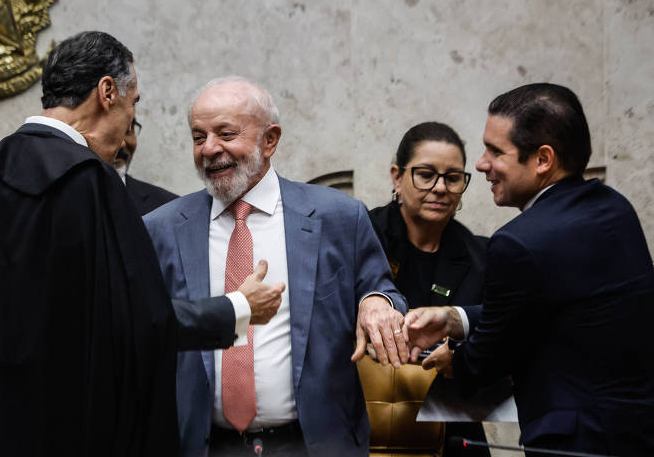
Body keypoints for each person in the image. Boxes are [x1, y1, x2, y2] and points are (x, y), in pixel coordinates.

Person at [0, 32, 282, 456]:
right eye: (133, 105)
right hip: (66, 432)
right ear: (107, 92)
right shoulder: (89, 181)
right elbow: (134, 323)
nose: (128, 126)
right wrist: (239, 307)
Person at [143, 76, 409, 457]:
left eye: (226, 133)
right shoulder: (161, 228)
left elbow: (383, 290)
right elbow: (147, 326)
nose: (209, 149)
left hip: (312, 443)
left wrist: (375, 300)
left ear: (270, 140)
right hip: (202, 446)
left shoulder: (337, 216)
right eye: (198, 137)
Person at [405, 83, 654, 456]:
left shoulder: (518, 242)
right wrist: (456, 318)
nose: (481, 164)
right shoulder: (614, 209)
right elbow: (552, 310)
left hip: (578, 442)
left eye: (495, 151)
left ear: (543, 159)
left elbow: (488, 358)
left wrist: (453, 359)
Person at [368, 121, 490, 457]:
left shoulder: (481, 255)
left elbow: (499, 328)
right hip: (368, 425)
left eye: (453, 178)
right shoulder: (361, 237)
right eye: (426, 174)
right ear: (397, 176)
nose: (440, 188)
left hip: (453, 426)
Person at [114, 116, 178, 215]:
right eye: (112, 131)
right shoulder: (81, 198)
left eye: (128, 130)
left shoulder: (170, 208)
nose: (122, 144)